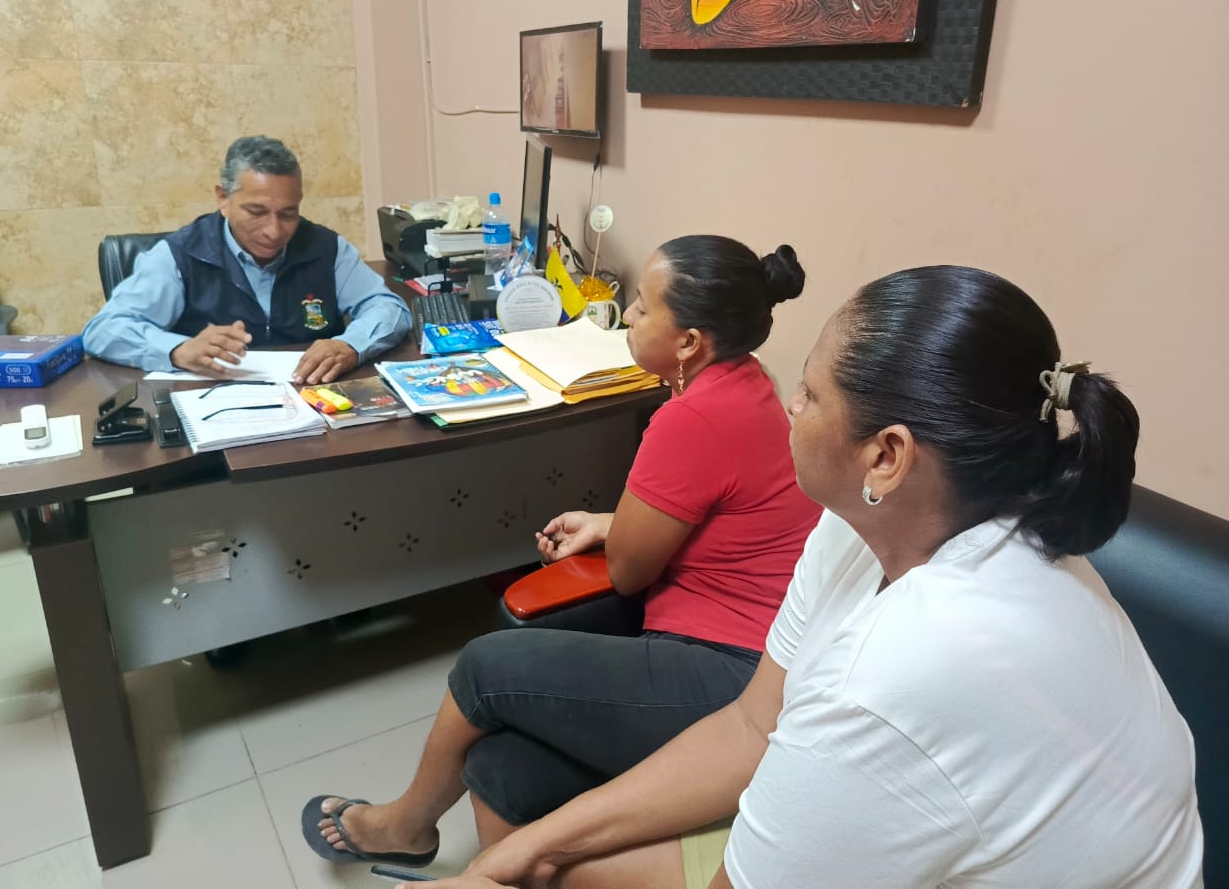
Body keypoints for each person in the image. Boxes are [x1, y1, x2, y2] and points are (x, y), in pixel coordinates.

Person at [431, 265, 1204, 889]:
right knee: (525, 818)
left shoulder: (899, 673)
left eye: (810, 393)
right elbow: (751, 727)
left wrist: (528, 869)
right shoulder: (867, 525)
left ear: (887, 455)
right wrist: (524, 851)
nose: (790, 407)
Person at [301, 235, 823, 867]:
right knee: (499, 764)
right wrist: (611, 522)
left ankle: (405, 826)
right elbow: (712, 511)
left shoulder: (692, 419)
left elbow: (628, 574)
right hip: (763, 655)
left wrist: (618, 534)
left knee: (484, 667)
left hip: (730, 674)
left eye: (642, 306)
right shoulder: (749, 382)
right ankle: (497, 866)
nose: (628, 317)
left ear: (688, 342)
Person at [82, 135, 410, 386]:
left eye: (288, 214)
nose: (273, 231)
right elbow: (103, 330)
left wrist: (351, 345)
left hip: (315, 403)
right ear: (223, 199)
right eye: (256, 212)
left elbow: (388, 307)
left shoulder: (325, 247)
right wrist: (177, 350)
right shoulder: (181, 254)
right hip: (213, 408)